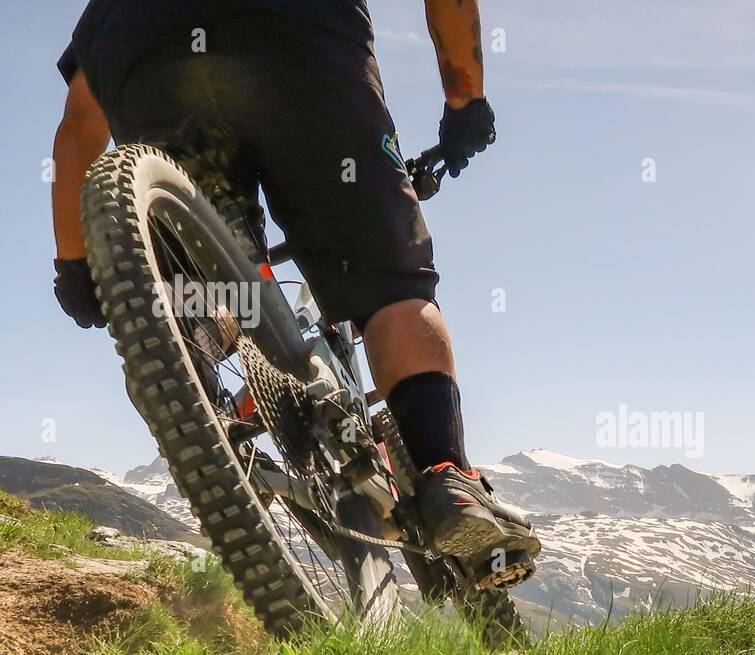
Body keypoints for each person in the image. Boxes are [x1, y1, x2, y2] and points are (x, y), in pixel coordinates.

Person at [49, 0, 540, 575]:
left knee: (201, 287)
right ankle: (445, 475)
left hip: (138, 48)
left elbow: (80, 124)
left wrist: (77, 264)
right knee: (392, 289)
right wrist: (465, 101)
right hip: (303, 44)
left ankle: (207, 425)